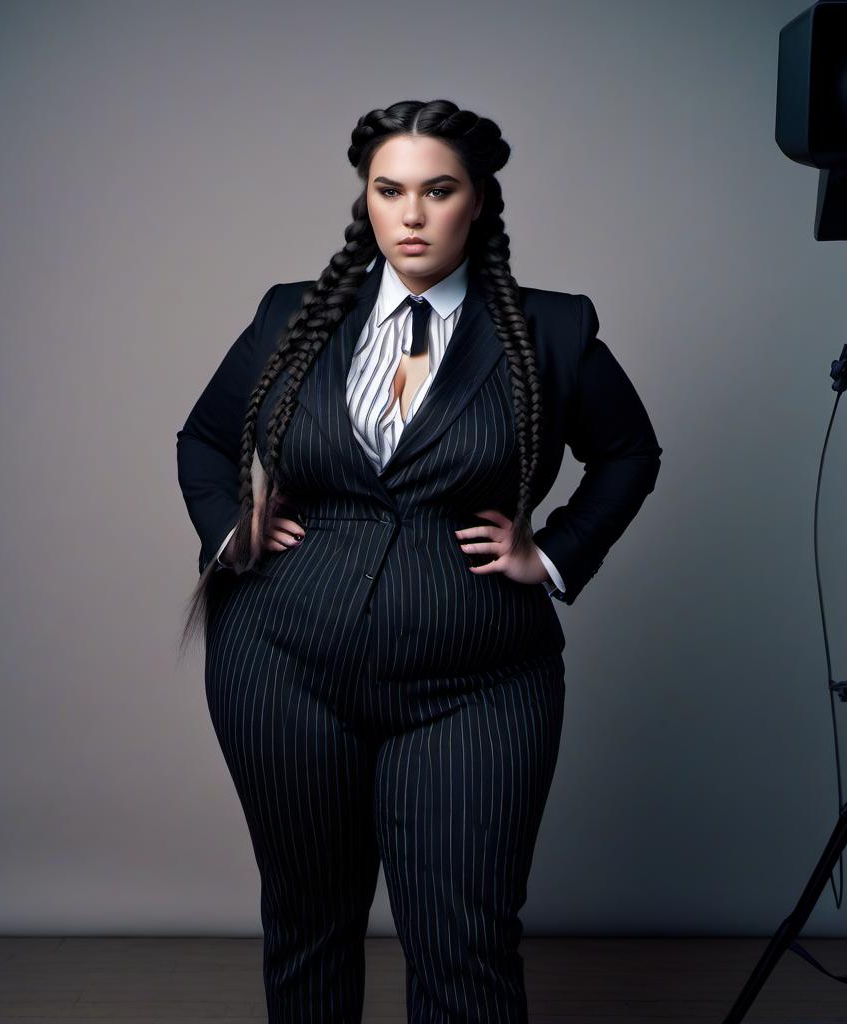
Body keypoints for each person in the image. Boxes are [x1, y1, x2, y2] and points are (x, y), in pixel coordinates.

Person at [175, 98, 661, 1024]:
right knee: (308, 927)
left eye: (437, 191)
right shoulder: (292, 317)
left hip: (477, 682)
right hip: (280, 669)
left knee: (465, 943)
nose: (410, 214)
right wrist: (228, 530)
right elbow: (203, 440)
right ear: (365, 199)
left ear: (478, 200)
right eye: (388, 190)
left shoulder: (552, 331)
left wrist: (553, 555)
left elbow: (631, 454)